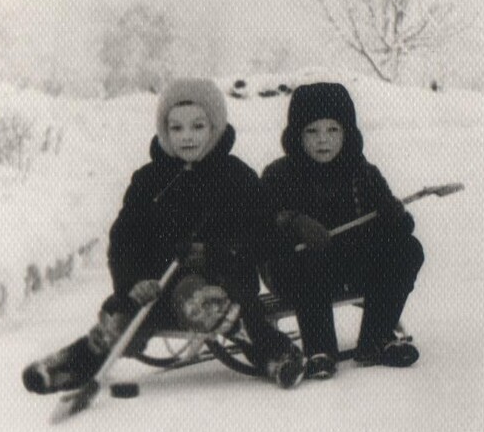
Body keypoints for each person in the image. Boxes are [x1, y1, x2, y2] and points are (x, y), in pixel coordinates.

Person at [23, 78, 306, 394]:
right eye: (177, 128)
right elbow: (125, 241)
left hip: (221, 282)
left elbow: (262, 233)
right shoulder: (149, 181)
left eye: (198, 126)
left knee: (200, 299)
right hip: (158, 286)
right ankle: (70, 366)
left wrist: (216, 252)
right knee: (121, 316)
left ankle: (275, 353)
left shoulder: (237, 177)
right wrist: (134, 283)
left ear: (214, 127)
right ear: (165, 130)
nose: (187, 137)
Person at [261, 82, 424, 380]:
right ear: (297, 135)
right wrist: (292, 221)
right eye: (312, 131)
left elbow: (396, 230)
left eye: (333, 130)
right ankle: (319, 349)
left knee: (408, 249)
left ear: (347, 132)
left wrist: (395, 216)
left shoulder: (362, 172)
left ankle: (375, 338)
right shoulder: (278, 175)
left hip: (350, 265)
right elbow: (260, 225)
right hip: (296, 269)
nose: (323, 140)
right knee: (310, 260)